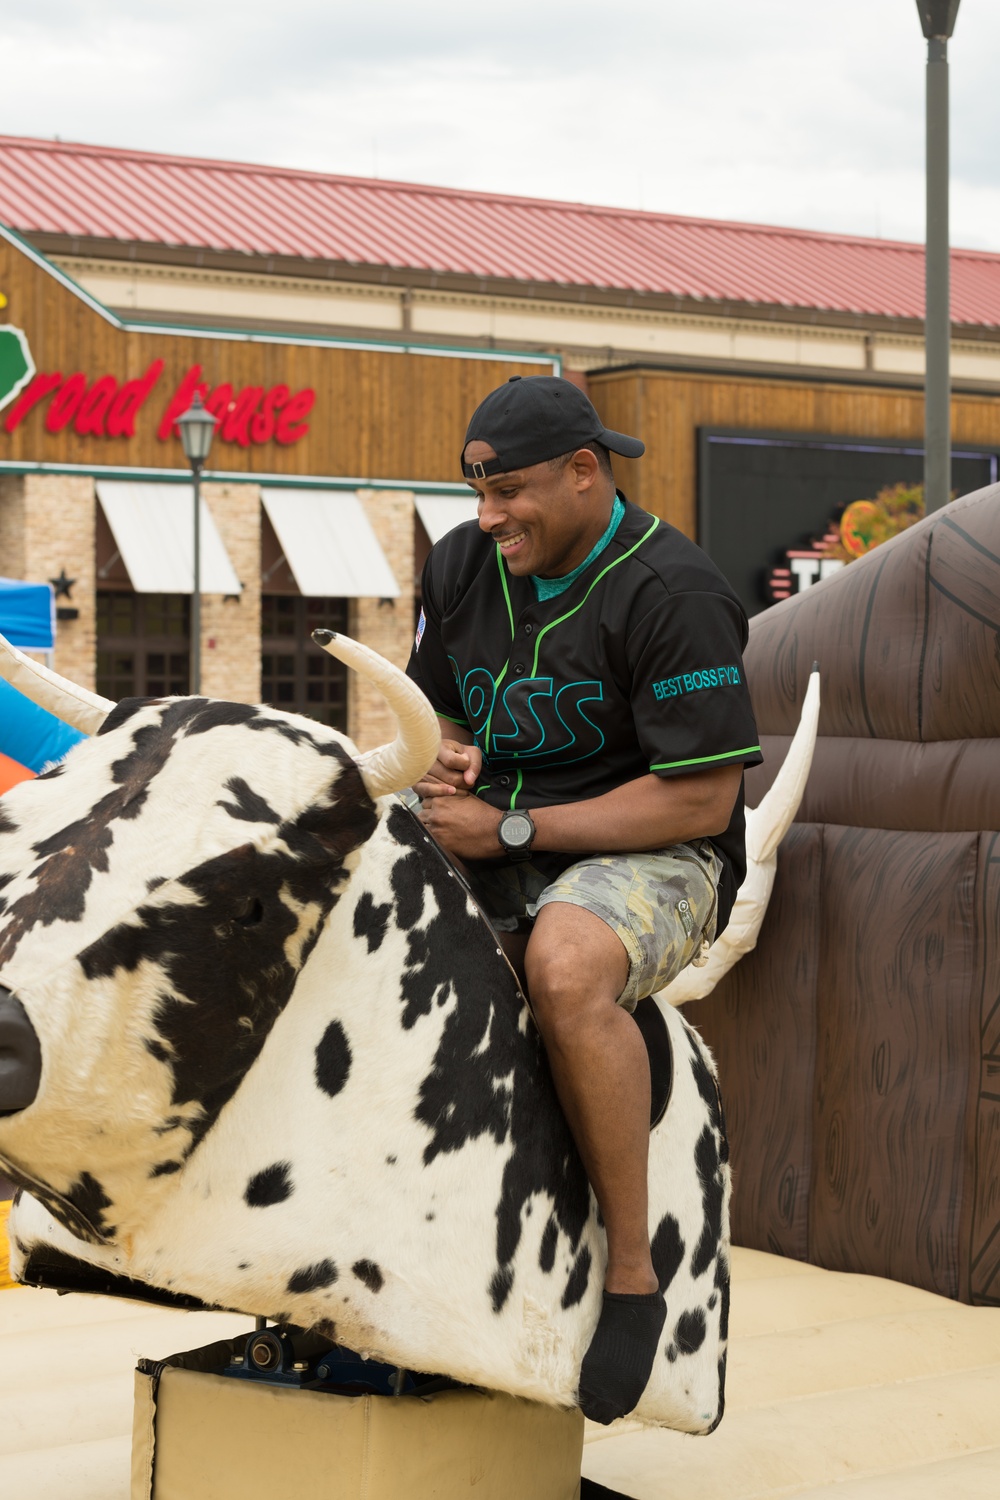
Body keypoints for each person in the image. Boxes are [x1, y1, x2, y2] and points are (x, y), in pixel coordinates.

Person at [406, 375, 761, 1424]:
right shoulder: (463, 561)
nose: (487, 517)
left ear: (584, 471)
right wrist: (446, 758)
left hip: (662, 852)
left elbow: (700, 795)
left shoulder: (674, 591)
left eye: (508, 490)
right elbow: (436, 703)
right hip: (492, 826)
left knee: (562, 963)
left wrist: (513, 829)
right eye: (475, 490)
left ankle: (632, 1278)